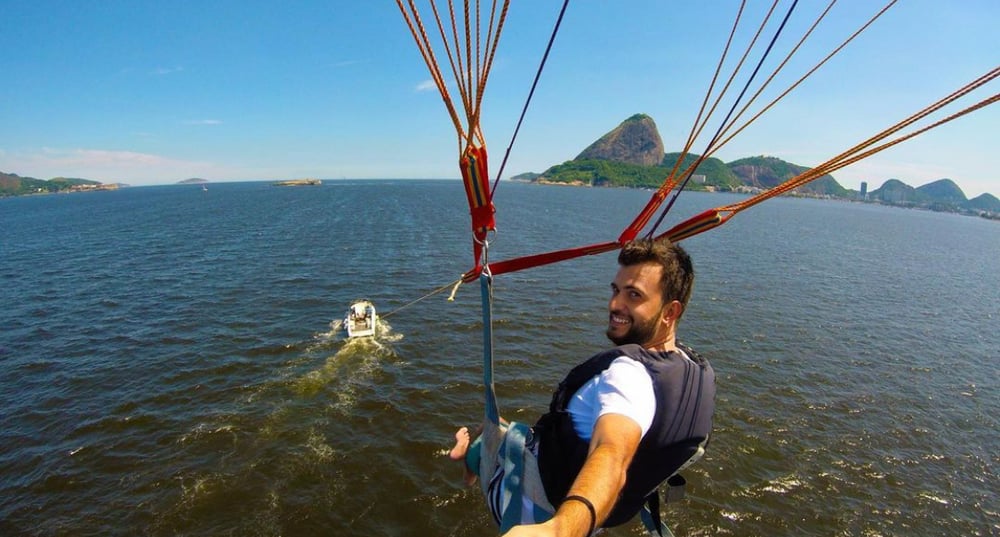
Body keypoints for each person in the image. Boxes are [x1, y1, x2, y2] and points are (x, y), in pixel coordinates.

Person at [449, 237, 716, 536]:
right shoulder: (692, 369)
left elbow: (612, 453)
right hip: (599, 516)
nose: (615, 305)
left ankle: (467, 462)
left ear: (670, 312)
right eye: (616, 291)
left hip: (531, 503)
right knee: (497, 425)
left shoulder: (628, 377)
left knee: (484, 436)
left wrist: (558, 530)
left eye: (634, 296)